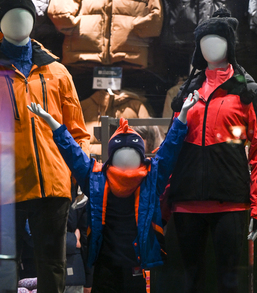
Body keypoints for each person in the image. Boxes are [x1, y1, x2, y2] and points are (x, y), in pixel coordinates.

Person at [27, 90, 198, 293]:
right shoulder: (100, 179)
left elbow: (170, 147)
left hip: (134, 266)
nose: (127, 160)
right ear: (112, 157)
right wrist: (53, 123)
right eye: (122, 154)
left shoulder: (146, 178)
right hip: (108, 267)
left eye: (133, 153)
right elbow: (73, 153)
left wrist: (183, 115)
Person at [167, 8, 257, 293]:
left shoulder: (248, 92)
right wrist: (162, 200)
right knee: (190, 284)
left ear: (230, 44)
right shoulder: (186, 93)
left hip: (230, 203)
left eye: (216, 39)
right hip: (185, 203)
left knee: (230, 283)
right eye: (203, 41)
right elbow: (170, 149)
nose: (209, 47)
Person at [0, 0, 90, 293]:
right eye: (10, 16)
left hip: (52, 185)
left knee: (52, 265)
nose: (18, 22)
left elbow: (77, 130)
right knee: (5, 266)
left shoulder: (57, 72)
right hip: (6, 187)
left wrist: (77, 174)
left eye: (24, 15)